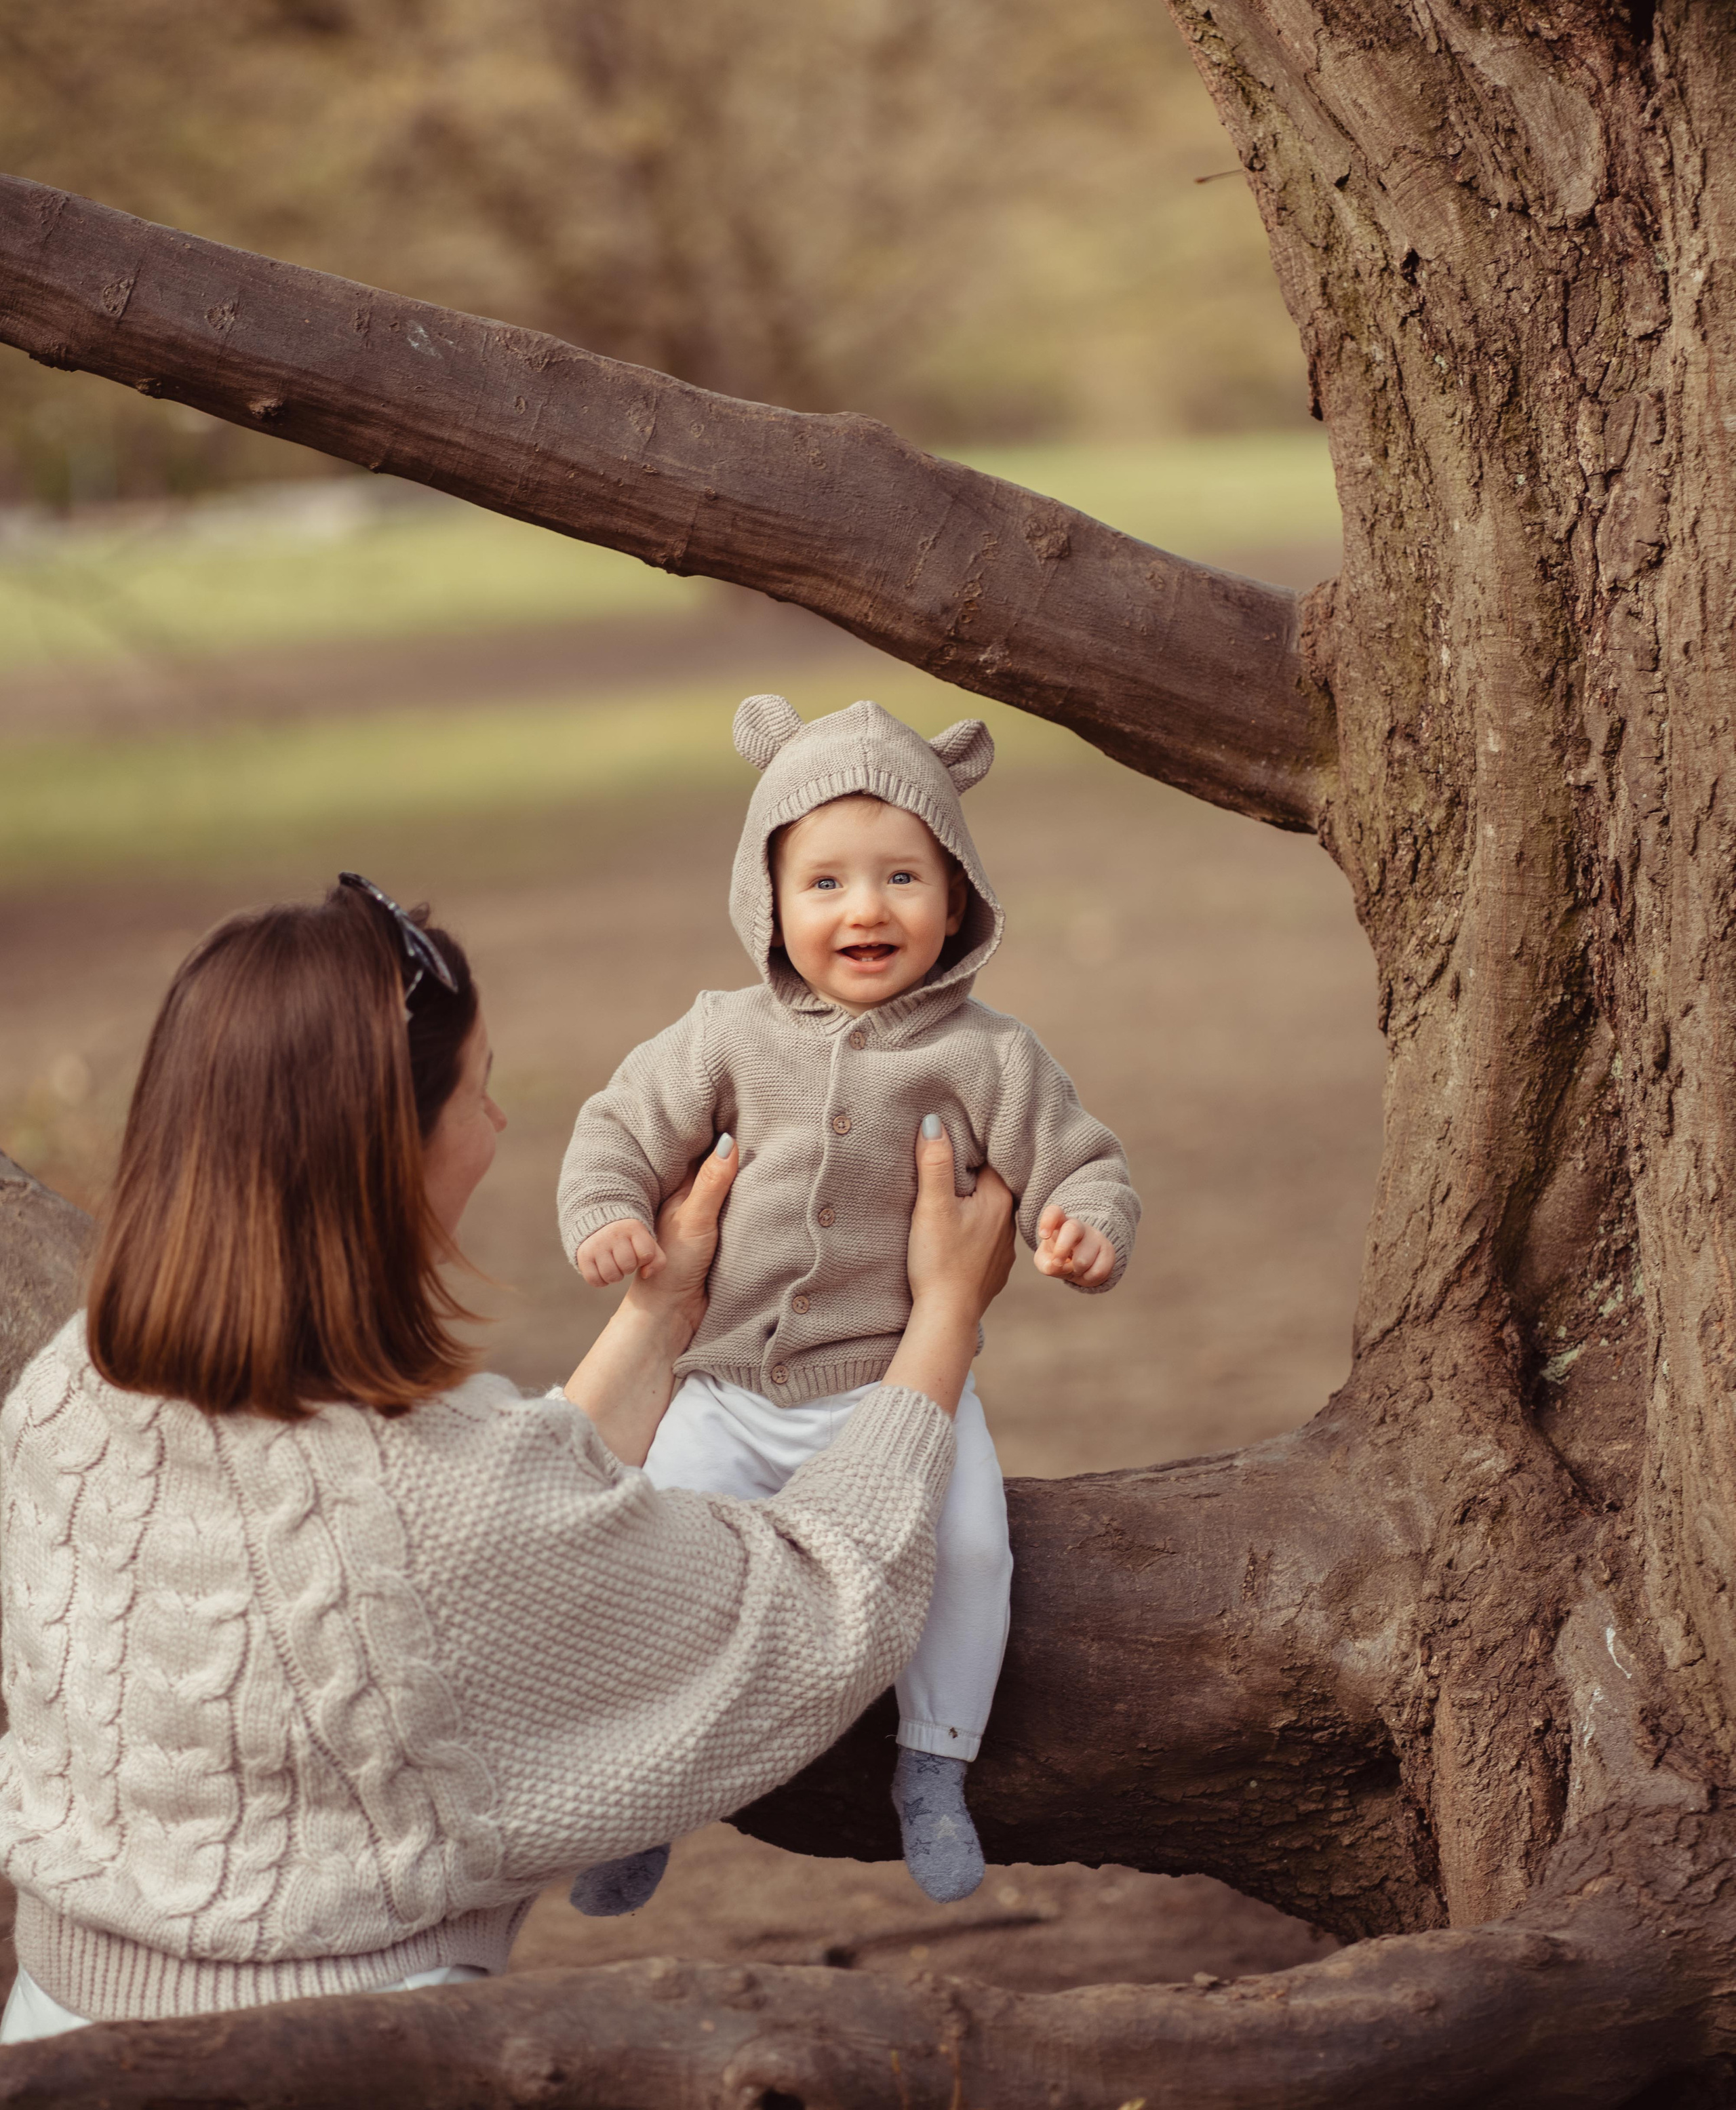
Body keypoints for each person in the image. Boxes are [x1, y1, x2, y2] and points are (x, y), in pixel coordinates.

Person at [0, 873, 1014, 2042]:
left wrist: (661, 1312)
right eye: (478, 1093)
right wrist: (944, 1318)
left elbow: (495, 1522)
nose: (496, 1125)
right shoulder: (446, 1499)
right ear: (391, 1153)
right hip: (362, 2060)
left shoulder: (67, 1397)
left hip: (47, 2031)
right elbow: (818, 1604)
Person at [558, 696, 1139, 1907]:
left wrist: (1086, 1227)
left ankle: (934, 1768)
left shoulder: (993, 1056)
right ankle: (648, 1790)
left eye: (901, 878)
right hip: (728, 1384)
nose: (865, 910)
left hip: (899, 1393)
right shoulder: (721, 1034)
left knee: (973, 1545)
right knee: (663, 1546)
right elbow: (617, 1127)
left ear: (959, 895)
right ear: (768, 901)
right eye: (824, 883)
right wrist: (608, 1214)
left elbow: (1085, 1159)